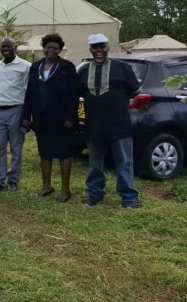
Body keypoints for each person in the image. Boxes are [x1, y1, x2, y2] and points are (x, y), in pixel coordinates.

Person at [78, 34, 141, 209]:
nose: (99, 50)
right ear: (90, 49)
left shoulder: (123, 68)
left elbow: (135, 92)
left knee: (124, 162)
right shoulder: (83, 70)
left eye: (102, 46)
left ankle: (129, 197)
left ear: (107, 48)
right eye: (95, 47)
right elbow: (77, 95)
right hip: (93, 125)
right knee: (95, 164)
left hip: (119, 125)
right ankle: (94, 194)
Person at [22, 33, 79, 203]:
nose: (51, 50)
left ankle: (65, 190)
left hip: (62, 118)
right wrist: (26, 115)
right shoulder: (35, 67)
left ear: (60, 49)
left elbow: (74, 94)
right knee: (44, 153)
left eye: (55, 48)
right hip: (41, 118)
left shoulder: (67, 67)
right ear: (43, 48)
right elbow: (29, 93)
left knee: (64, 153)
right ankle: (46, 186)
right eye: (48, 47)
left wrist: (71, 117)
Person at [0, 38, 31, 195]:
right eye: (3, 47)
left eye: (9, 46)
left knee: (15, 148)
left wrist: (27, 116)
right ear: (0, 49)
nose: (6, 49)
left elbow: (29, 92)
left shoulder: (25, 66)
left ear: (15, 48)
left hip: (16, 110)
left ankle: (13, 180)